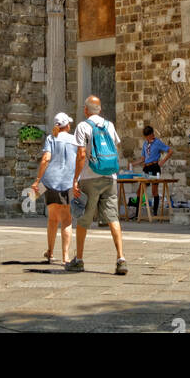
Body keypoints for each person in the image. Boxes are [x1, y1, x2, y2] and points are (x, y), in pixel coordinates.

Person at [66, 95, 127, 276]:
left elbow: (81, 155)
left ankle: (79, 259)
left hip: (89, 177)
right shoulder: (109, 125)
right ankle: (121, 258)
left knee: (84, 219)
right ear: (99, 109)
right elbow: (116, 149)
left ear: (85, 110)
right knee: (113, 218)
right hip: (110, 177)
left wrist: (76, 178)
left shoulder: (83, 126)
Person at [31, 113, 78, 264]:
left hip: (51, 182)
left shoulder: (51, 139)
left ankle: (50, 252)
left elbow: (46, 159)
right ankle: (65, 256)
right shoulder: (74, 140)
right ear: (68, 126)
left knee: (52, 219)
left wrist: (38, 180)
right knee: (67, 220)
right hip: (68, 182)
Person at [129, 124, 172, 218]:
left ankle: (155, 213)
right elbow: (143, 158)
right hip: (146, 168)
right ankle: (137, 213)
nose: (151, 136)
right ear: (146, 136)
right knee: (140, 191)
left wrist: (162, 161)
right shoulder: (145, 144)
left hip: (154, 167)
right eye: (149, 135)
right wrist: (133, 163)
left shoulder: (158, 142)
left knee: (154, 191)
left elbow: (170, 151)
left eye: (152, 134)